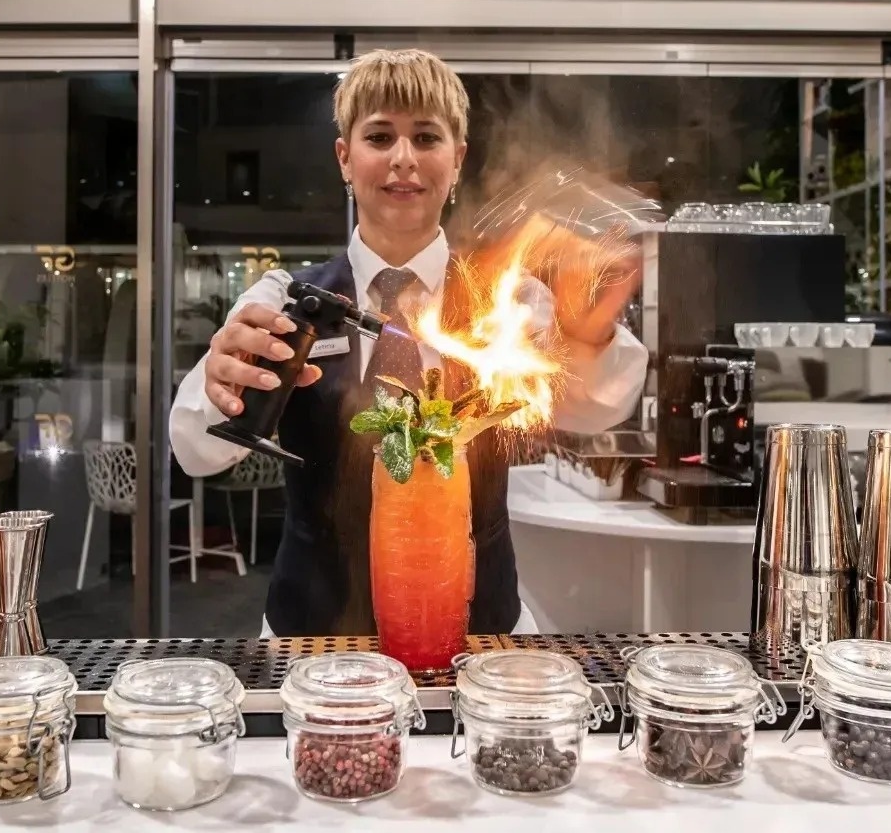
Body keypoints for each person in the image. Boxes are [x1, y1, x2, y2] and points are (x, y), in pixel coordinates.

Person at [171, 48, 648, 637]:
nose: (403, 160)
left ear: (458, 160)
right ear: (345, 159)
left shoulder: (512, 299)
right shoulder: (283, 301)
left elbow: (593, 405)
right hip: (315, 641)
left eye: (426, 138)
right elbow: (197, 452)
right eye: (379, 137)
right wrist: (220, 386)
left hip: (479, 633)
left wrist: (590, 330)